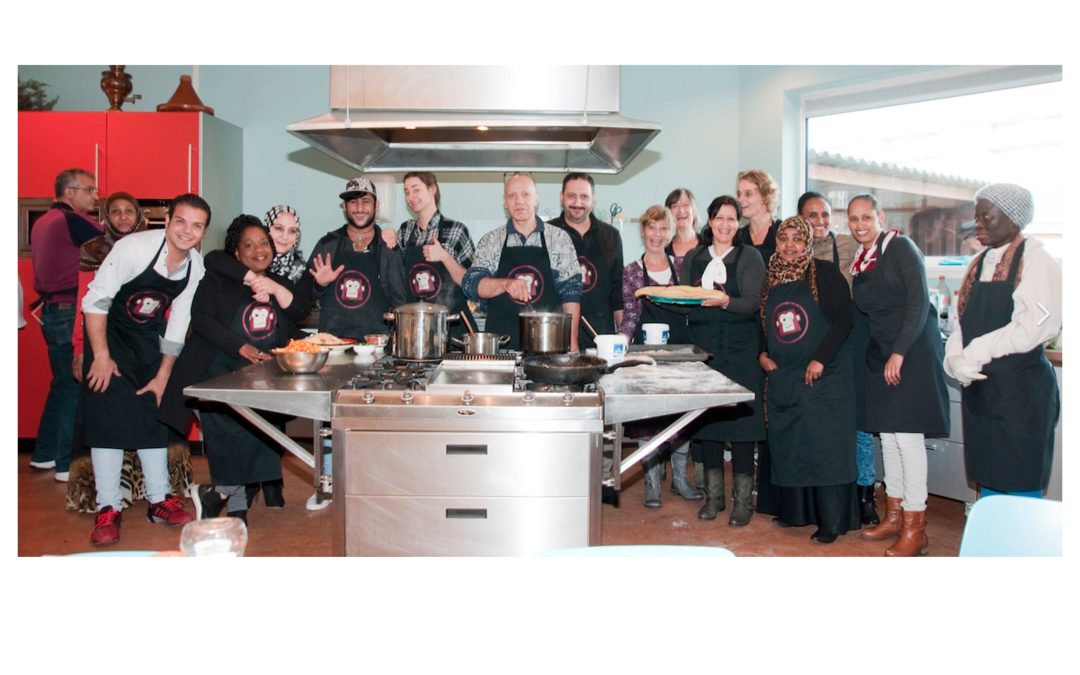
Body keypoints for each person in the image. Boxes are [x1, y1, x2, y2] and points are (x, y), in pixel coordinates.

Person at [161, 216, 308, 525]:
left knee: (255, 436)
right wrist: (240, 346)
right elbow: (200, 319)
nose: (259, 250)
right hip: (214, 376)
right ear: (237, 254)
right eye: (249, 245)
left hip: (256, 381)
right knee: (232, 438)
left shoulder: (277, 283)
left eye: (264, 243)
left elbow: (291, 323)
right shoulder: (218, 278)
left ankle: (226, 500)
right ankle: (224, 497)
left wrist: (319, 346)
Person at [81, 194, 210, 546]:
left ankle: (159, 500)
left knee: (154, 414)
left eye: (196, 225)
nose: (187, 231)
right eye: (181, 221)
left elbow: (179, 320)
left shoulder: (193, 266)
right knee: (107, 418)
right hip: (108, 336)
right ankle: (107, 507)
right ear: (166, 220)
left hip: (148, 341)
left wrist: (165, 372)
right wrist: (101, 356)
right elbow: (95, 300)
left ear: (203, 231)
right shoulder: (132, 249)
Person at [944, 184, 1063, 499]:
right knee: (989, 486)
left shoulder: (1038, 262)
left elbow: (1034, 327)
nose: (978, 224)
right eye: (976, 216)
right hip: (984, 395)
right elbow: (961, 322)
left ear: (1013, 218)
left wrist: (976, 351)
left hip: (1020, 399)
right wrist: (954, 359)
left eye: (987, 216)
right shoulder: (979, 263)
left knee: (1020, 489)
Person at [849, 194, 950, 558]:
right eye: (853, 219)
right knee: (888, 437)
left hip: (911, 352)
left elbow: (919, 302)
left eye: (866, 217)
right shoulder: (863, 259)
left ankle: (915, 527)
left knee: (906, 438)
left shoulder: (900, 247)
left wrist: (900, 352)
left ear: (880, 216)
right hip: (882, 352)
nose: (859, 224)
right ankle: (893, 516)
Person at [305, 177, 407, 510]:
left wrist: (391, 337)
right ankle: (327, 484)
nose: (359, 208)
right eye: (353, 202)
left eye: (365, 202)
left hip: (375, 344)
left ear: (376, 206)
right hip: (332, 343)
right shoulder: (328, 244)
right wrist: (319, 286)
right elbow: (306, 295)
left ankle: (371, 481)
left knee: (372, 412)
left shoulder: (388, 246)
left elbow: (399, 296)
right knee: (329, 417)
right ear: (345, 207)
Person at [758, 217, 860, 544]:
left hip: (824, 376)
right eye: (784, 239)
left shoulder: (825, 274)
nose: (790, 245)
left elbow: (845, 319)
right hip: (786, 378)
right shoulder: (770, 278)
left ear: (808, 243)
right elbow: (762, 325)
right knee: (792, 447)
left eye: (797, 239)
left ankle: (830, 522)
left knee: (825, 449)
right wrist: (762, 354)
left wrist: (821, 358)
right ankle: (795, 513)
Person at [682, 196, 767, 527]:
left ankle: (742, 502)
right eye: (719, 218)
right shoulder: (695, 256)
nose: (725, 224)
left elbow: (751, 303)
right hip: (705, 350)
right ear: (710, 221)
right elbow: (686, 301)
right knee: (710, 423)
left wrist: (724, 300)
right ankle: (713, 498)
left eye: (732, 219)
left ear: (739, 223)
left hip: (741, 350)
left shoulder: (749, 257)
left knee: (743, 427)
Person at [799, 191, 878, 525]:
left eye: (825, 215)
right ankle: (818, 494)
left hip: (849, 338)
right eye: (812, 215)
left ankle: (864, 495)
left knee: (858, 421)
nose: (819, 221)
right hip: (808, 343)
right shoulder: (794, 251)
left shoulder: (849, 246)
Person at [618, 206, 700, 506]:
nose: (656, 234)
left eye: (662, 228)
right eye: (651, 228)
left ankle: (679, 479)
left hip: (679, 352)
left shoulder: (682, 265)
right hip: (644, 354)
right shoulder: (632, 272)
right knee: (648, 419)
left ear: (669, 232)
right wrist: (621, 344)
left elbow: (692, 308)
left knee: (681, 417)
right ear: (643, 231)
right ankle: (652, 481)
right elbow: (630, 315)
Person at [28, 168, 103, 483]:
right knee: (75, 386)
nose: (95, 195)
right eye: (90, 190)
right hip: (71, 310)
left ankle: (44, 454)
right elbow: (111, 242)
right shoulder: (74, 221)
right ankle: (65, 463)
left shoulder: (43, 221)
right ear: (69, 192)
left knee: (60, 385)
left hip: (49, 311)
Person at [463, 173, 583, 352]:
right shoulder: (491, 241)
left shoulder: (558, 239)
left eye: (526, 194)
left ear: (536, 199)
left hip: (548, 346)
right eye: (512, 196)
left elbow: (571, 294)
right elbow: (472, 286)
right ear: (505, 201)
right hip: (501, 348)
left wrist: (572, 343)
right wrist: (505, 284)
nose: (519, 201)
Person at [381, 172, 478, 342]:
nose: (411, 197)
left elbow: (473, 284)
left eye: (416, 190)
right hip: (417, 329)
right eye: (406, 192)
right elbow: (396, 277)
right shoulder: (405, 231)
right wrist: (387, 235)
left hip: (453, 327)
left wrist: (445, 257)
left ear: (432, 190)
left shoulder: (456, 230)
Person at [548, 173, 623, 350]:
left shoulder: (611, 236)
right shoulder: (547, 234)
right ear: (561, 197)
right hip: (555, 338)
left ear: (593, 200)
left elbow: (617, 289)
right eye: (571, 196)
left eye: (584, 197)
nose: (577, 203)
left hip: (601, 337)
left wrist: (622, 334)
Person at [665, 188, 706, 491]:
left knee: (693, 402)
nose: (680, 210)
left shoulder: (707, 247)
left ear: (694, 210)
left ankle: (694, 468)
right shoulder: (660, 246)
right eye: (674, 205)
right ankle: (658, 464)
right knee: (666, 401)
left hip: (701, 331)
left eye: (685, 205)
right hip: (666, 333)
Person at [733, 170, 782, 262]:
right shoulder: (737, 236)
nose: (740, 199)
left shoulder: (782, 231)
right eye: (739, 194)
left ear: (765, 197)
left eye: (748, 194)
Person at [265, 205, 308, 283]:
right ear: (267, 228)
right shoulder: (254, 260)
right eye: (279, 228)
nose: (285, 236)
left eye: (292, 231)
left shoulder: (301, 270)